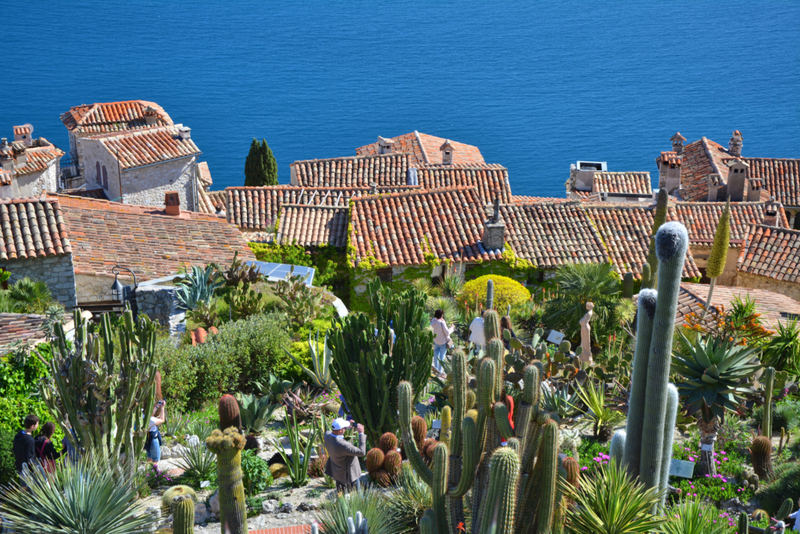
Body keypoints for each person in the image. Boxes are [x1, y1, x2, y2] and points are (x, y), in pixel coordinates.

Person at [324, 418, 366, 493]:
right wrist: (361, 434)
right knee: (354, 498)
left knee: (341, 495)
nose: (345, 429)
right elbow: (362, 452)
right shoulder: (343, 445)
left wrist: (347, 426)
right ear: (340, 430)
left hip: (338, 473)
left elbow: (332, 432)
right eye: (344, 428)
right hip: (349, 476)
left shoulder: (327, 436)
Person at [13, 414, 39, 485]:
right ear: (32, 426)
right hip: (27, 468)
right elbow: (29, 457)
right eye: (37, 424)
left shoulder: (19, 434)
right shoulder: (30, 440)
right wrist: (35, 468)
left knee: (25, 486)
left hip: (19, 464)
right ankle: (18, 495)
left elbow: (14, 448)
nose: (38, 426)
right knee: (27, 487)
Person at [430, 309, 454, 376]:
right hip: (443, 342)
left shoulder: (433, 322)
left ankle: (436, 369)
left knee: (436, 355)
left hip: (436, 341)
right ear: (441, 315)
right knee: (442, 357)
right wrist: (452, 328)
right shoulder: (441, 323)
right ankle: (440, 371)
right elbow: (447, 332)